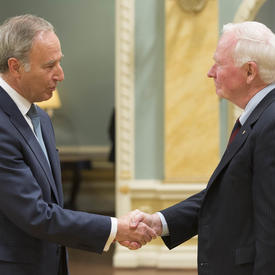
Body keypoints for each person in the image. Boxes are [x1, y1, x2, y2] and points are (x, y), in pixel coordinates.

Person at [0, 14, 156, 275]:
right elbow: (36, 215)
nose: (60, 75)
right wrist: (117, 228)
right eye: (49, 66)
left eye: (59, 63)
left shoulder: (40, 118)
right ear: (16, 66)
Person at [124, 21, 275, 274]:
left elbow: (272, 226)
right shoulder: (259, 117)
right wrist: (159, 222)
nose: (210, 72)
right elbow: (225, 195)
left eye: (219, 63)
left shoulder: (271, 123)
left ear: (250, 71)